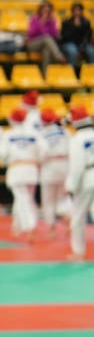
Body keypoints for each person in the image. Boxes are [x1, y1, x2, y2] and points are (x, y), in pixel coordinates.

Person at [0, 107, 42, 238]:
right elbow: (43, 150)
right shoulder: (34, 134)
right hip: (31, 168)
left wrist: (5, 161)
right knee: (28, 198)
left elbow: (2, 153)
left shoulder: (8, 135)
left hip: (16, 169)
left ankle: (30, 226)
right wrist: (36, 161)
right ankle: (17, 225)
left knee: (22, 198)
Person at [67, 105, 94, 258]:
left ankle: (78, 252)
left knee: (78, 216)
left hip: (87, 178)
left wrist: (71, 186)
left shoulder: (77, 140)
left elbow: (77, 166)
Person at [37, 107, 70, 230]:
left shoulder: (40, 134)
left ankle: (51, 227)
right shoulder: (64, 131)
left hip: (49, 166)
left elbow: (42, 153)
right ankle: (68, 219)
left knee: (48, 199)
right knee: (64, 197)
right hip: (64, 165)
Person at [28, 0, 65, 73]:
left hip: (46, 44)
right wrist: (41, 23)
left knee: (47, 51)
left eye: (48, 11)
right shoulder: (34, 19)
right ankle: (58, 57)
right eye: (44, 10)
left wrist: (51, 22)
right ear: (40, 10)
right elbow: (31, 34)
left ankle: (45, 76)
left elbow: (54, 35)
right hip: (33, 44)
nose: (46, 12)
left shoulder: (52, 20)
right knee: (46, 38)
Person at [60, 0, 93, 70]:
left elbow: (88, 36)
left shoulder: (86, 22)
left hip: (83, 44)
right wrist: (75, 27)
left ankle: (91, 73)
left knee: (91, 51)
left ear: (82, 11)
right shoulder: (66, 22)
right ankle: (73, 73)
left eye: (79, 10)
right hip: (69, 44)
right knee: (73, 51)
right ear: (72, 11)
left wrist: (83, 45)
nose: (77, 12)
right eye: (75, 10)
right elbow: (65, 38)